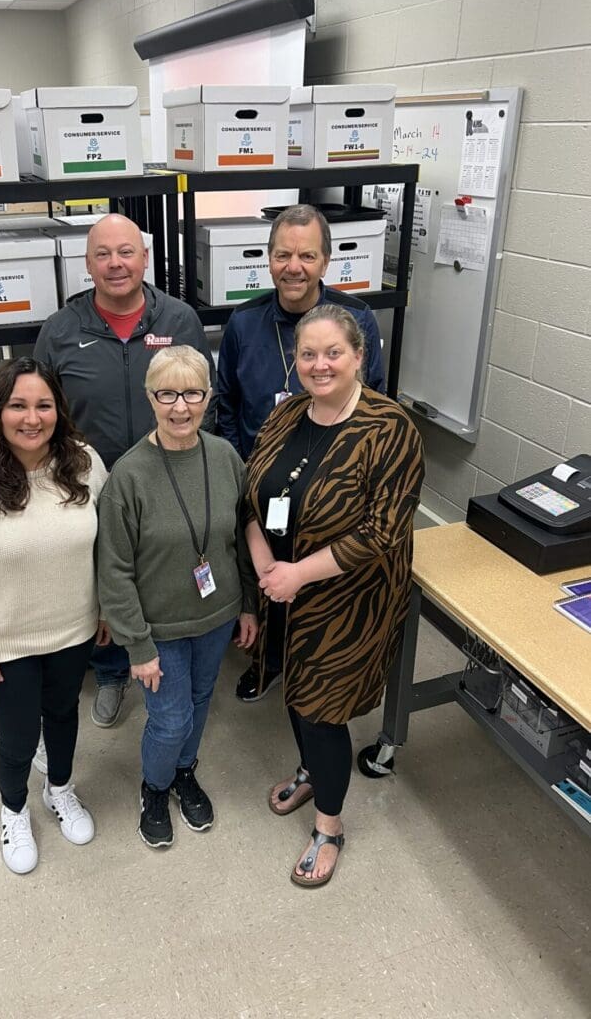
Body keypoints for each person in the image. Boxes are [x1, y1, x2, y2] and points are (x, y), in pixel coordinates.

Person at [244, 304, 423, 887]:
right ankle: (312, 771)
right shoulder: (289, 414)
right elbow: (254, 492)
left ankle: (329, 825)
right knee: (295, 691)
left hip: (350, 598)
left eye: (333, 353)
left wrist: (298, 574)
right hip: (283, 585)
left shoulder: (389, 429)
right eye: (307, 354)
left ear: (359, 357)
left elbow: (381, 531)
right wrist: (266, 561)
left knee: (319, 708)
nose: (320, 365)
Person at [34, 213, 217, 730]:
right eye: (103, 254)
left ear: (145, 258)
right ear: (87, 264)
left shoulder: (178, 319)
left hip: (168, 475)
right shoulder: (62, 330)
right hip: (88, 484)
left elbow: (206, 393)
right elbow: (38, 408)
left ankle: (170, 656)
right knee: (103, 576)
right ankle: (112, 670)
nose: (116, 263)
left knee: (164, 567)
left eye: (127, 251)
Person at [0, 358, 108, 874]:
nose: (32, 418)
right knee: (18, 735)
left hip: (73, 631)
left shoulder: (85, 463)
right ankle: (13, 812)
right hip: (3, 643)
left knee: (63, 717)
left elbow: (109, 547)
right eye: (18, 405)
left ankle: (60, 790)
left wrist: (106, 609)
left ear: (59, 410)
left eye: (44, 405)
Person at [217, 203, 387, 703]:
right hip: (262, 480)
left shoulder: (355, 320)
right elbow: (225, 400)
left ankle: (314, 667)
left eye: (307, 255)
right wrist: (240, 467)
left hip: (330, 487)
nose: (295, 267)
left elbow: (375, 397)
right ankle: (266, 659)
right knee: (266, 573)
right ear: (268, 259)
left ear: (326, 261)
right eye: (283, 254)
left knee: (316, 575)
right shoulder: (244, 323)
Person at [97, 346, 257, 848]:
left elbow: (241, 538)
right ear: (150, 398)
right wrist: (137, 647)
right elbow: (115, 570)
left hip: (216, 616)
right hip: (158, 628)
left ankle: (185, 773)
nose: (180, 407)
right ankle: (155, 787)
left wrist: (249, 604)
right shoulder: (129, 476)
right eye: (167, 394)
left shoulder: (226, 456)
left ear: (209, 397)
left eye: (192, 393)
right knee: (169, 719)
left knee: (200, 701)